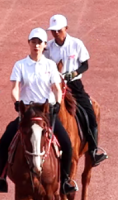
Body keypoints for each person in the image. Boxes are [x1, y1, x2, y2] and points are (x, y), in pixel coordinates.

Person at [0, 28, 77, 195]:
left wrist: (58, 102)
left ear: (45, 45)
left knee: (67, 144)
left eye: (39, 42)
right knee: (4, 141)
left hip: (46, 113)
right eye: (33, 42)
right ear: (29, 43)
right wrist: (17, 102)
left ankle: (66, 181)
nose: (36, 45)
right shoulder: (20, 65)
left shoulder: (50, 65)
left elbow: (56, 88)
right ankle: (2, 178)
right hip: (28, 113)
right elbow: (15, 88)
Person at [45, 14, 107, 168]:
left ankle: (93, 151)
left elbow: (85, 64)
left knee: (90, 113)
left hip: (74, 85)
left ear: (66, 28)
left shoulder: (76, 44)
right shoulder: (49, 48)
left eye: (58, 30)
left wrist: (74, 73)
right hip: (55, 86)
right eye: (53, 31)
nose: (55, 33)